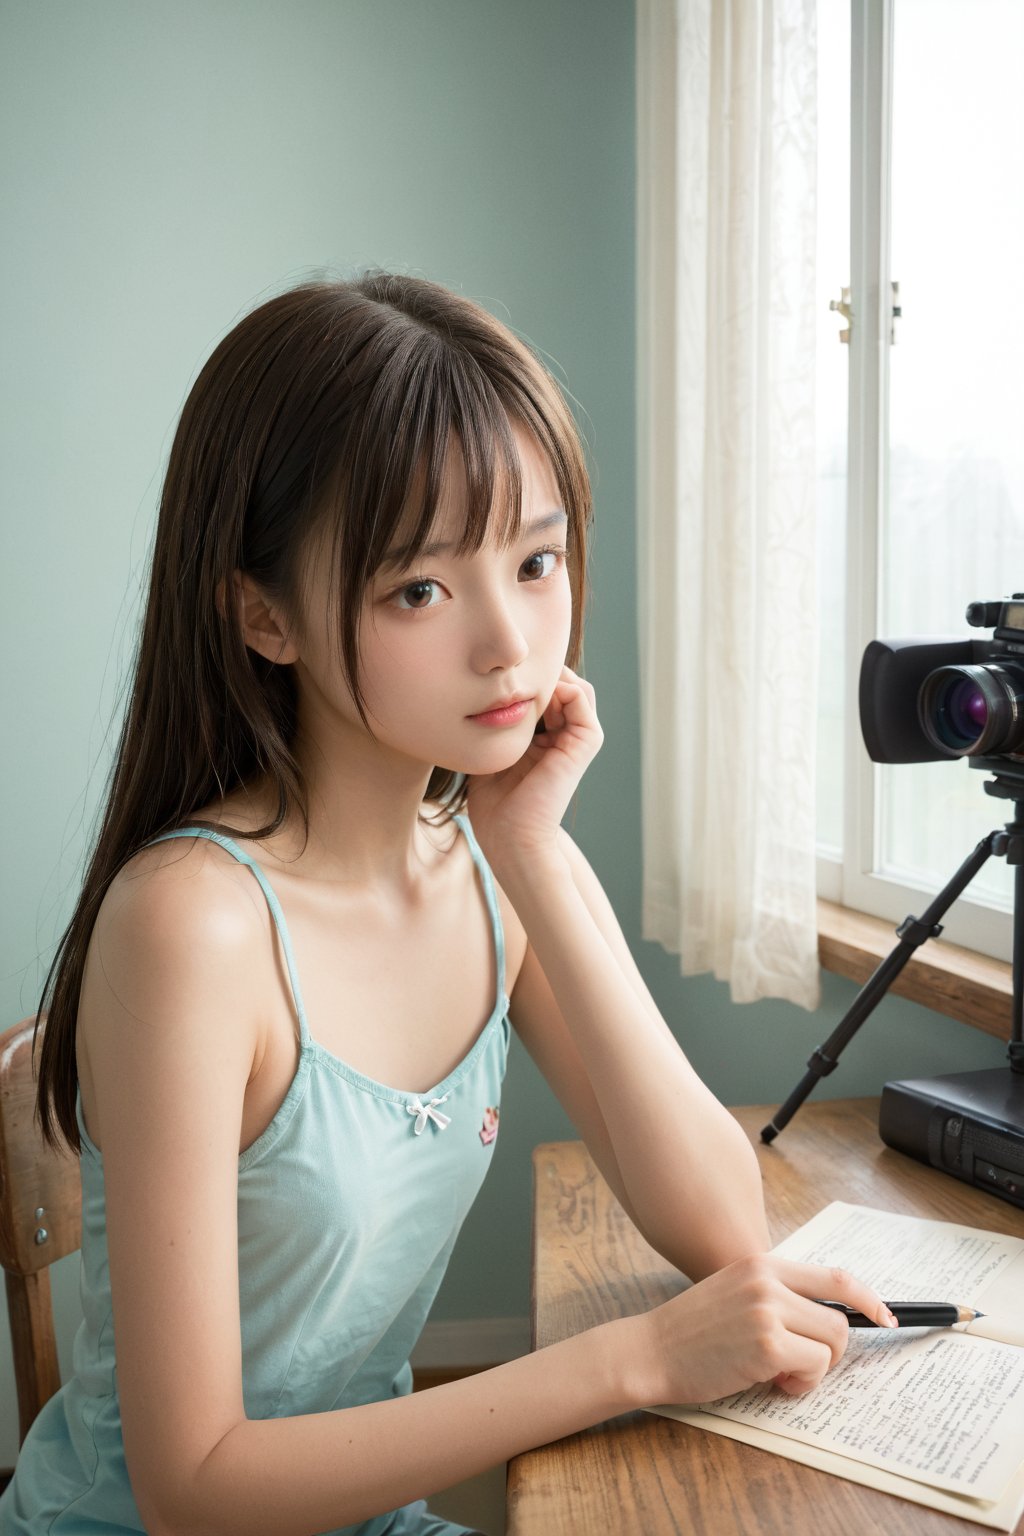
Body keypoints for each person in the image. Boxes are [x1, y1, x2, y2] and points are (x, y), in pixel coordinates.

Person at [1, 274, 895, 1536]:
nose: (509, 645)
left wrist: (533, 851)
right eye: (420, 589)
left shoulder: (488, 862)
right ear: (263, 614)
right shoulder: (192, 927)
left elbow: (722, 1231)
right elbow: (192, 1486)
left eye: (535, 562)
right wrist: (629, 1361)